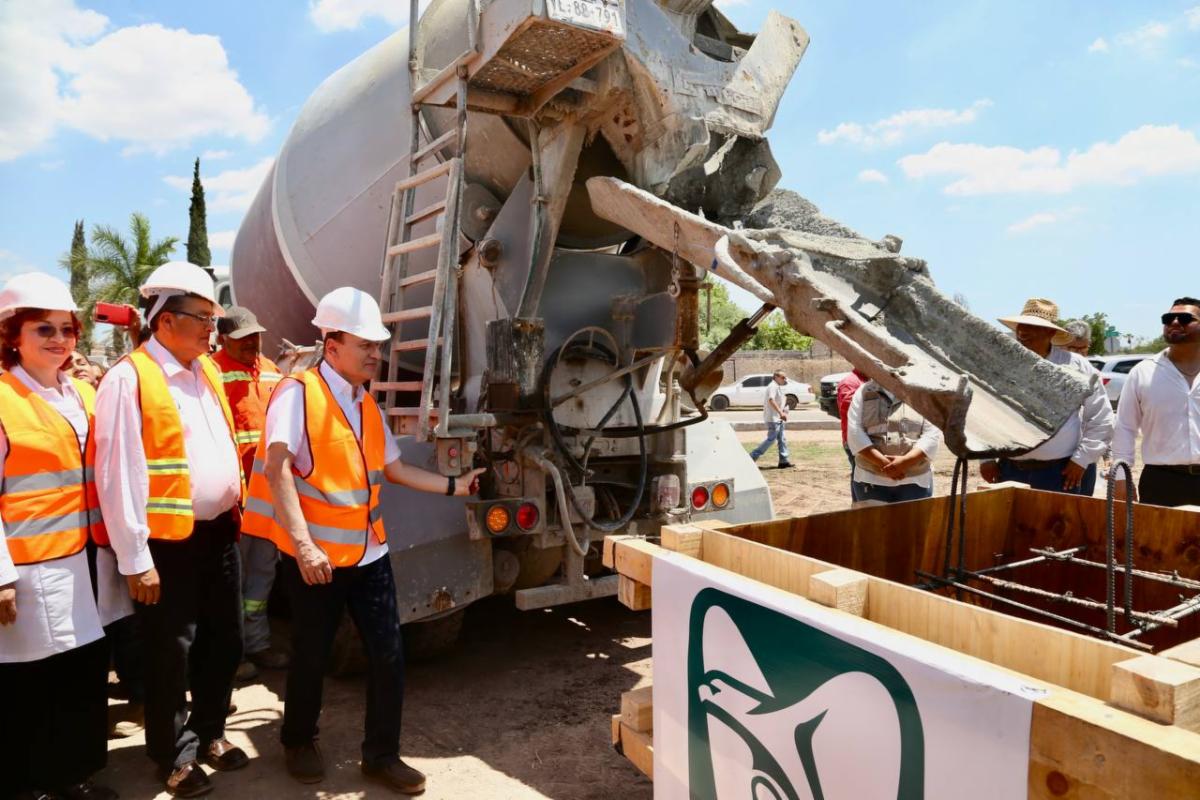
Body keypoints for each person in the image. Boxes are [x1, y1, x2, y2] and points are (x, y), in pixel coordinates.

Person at [241, 287, 484, 794]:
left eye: (378, 345)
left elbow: (392, 468)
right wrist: (304, 545)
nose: (377, 353)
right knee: (311, 652)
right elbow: (276, 466)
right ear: (332, 345)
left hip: (369, 553)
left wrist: (453, 486)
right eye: (366, 345)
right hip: (317, 558)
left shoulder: (365, 403)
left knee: (389, 653)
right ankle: (298, 740)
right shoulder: (297, 393)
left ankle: (381, 756)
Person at [95, 261, 249, 797]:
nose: (213, 329)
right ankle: (172, 752)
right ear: (163, 320)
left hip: (218, 535)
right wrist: (135, 558)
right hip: (166, 544)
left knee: (224, 641)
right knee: (170, 652)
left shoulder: (204, 371)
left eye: (213, 317)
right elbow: (116, 475)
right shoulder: (127, 378)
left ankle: (210, 733)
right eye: (202, 317)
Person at [0, 273, 123, 800]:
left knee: (80, 675)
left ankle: (72, 778)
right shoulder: (4, 400)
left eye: (67, 329)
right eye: (42, 329)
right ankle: (31, 784)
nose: (59, 339)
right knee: (30, 686)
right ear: (13, 336)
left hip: (85, 563)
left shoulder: (84, 394)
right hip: (27, 571)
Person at [212, 307, 288, 681]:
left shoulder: (272, 369)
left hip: (268, 493)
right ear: (224, 338)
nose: (252, 344)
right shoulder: (211, 372)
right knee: (231, 580)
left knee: (262, 573)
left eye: (256, 336)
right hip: (236, 498)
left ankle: (257, 643)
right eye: (243, 339)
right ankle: (232, 652)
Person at [980, 299, 1113, 494]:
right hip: (1009, 470)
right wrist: (987, 457)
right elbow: (986, 411)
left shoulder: (1076, 366)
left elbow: (1101, 416)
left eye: (1032, 326)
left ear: (1050, 332)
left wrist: (1082, 460)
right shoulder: (1002, 364)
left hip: (1061, 473)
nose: (1022, 331)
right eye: (1021, 325)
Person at [1113, 297, 1200, 507]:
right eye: (1169, 318)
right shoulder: (1143, 372)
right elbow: (1124, 427)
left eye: (1186, 318)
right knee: (1158, 540)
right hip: (1161, 481)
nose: (1175, 322)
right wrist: (1121, 478)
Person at [846, 379, 942, 504]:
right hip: (870, 480)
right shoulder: (864, 391)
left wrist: (905, 463)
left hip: (915, 482)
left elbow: (932, 434)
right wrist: (884, 463)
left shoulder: (923, 393)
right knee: (873, 524)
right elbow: (855, 433)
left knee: (913, 524)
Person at [748, 370, 793, 469]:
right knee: (771, 439)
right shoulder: (772, 386)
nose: (784, 379)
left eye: (785, 377)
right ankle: (752, 456)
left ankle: (784, 461)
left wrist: (784, 410)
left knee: (782, 439)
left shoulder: (777, 387)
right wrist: (781, 413)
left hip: (778, 418)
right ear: (776, 377)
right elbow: (771, 400)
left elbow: (780, 400)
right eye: (782, 377)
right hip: (773, 418)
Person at [836, 368, 867, 500]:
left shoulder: (863, 380)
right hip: (854, 440)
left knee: (861, 474)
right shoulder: (850, 382)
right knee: (860, 476)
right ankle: (858, 507)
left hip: (861, 438)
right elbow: (848, 407)